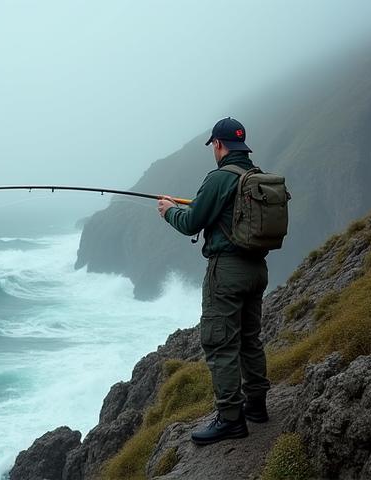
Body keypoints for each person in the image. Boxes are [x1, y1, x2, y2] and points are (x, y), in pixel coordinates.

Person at [156, 117, 271, 445]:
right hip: (257, 270)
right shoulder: (257, 176)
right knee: (250, 339)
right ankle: (258, 406)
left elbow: (192, 223)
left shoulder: (219, 178)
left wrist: (168, 211)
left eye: (213, 146)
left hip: (228, 272)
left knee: (220, 344)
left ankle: (231, 419)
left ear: (218, 145)